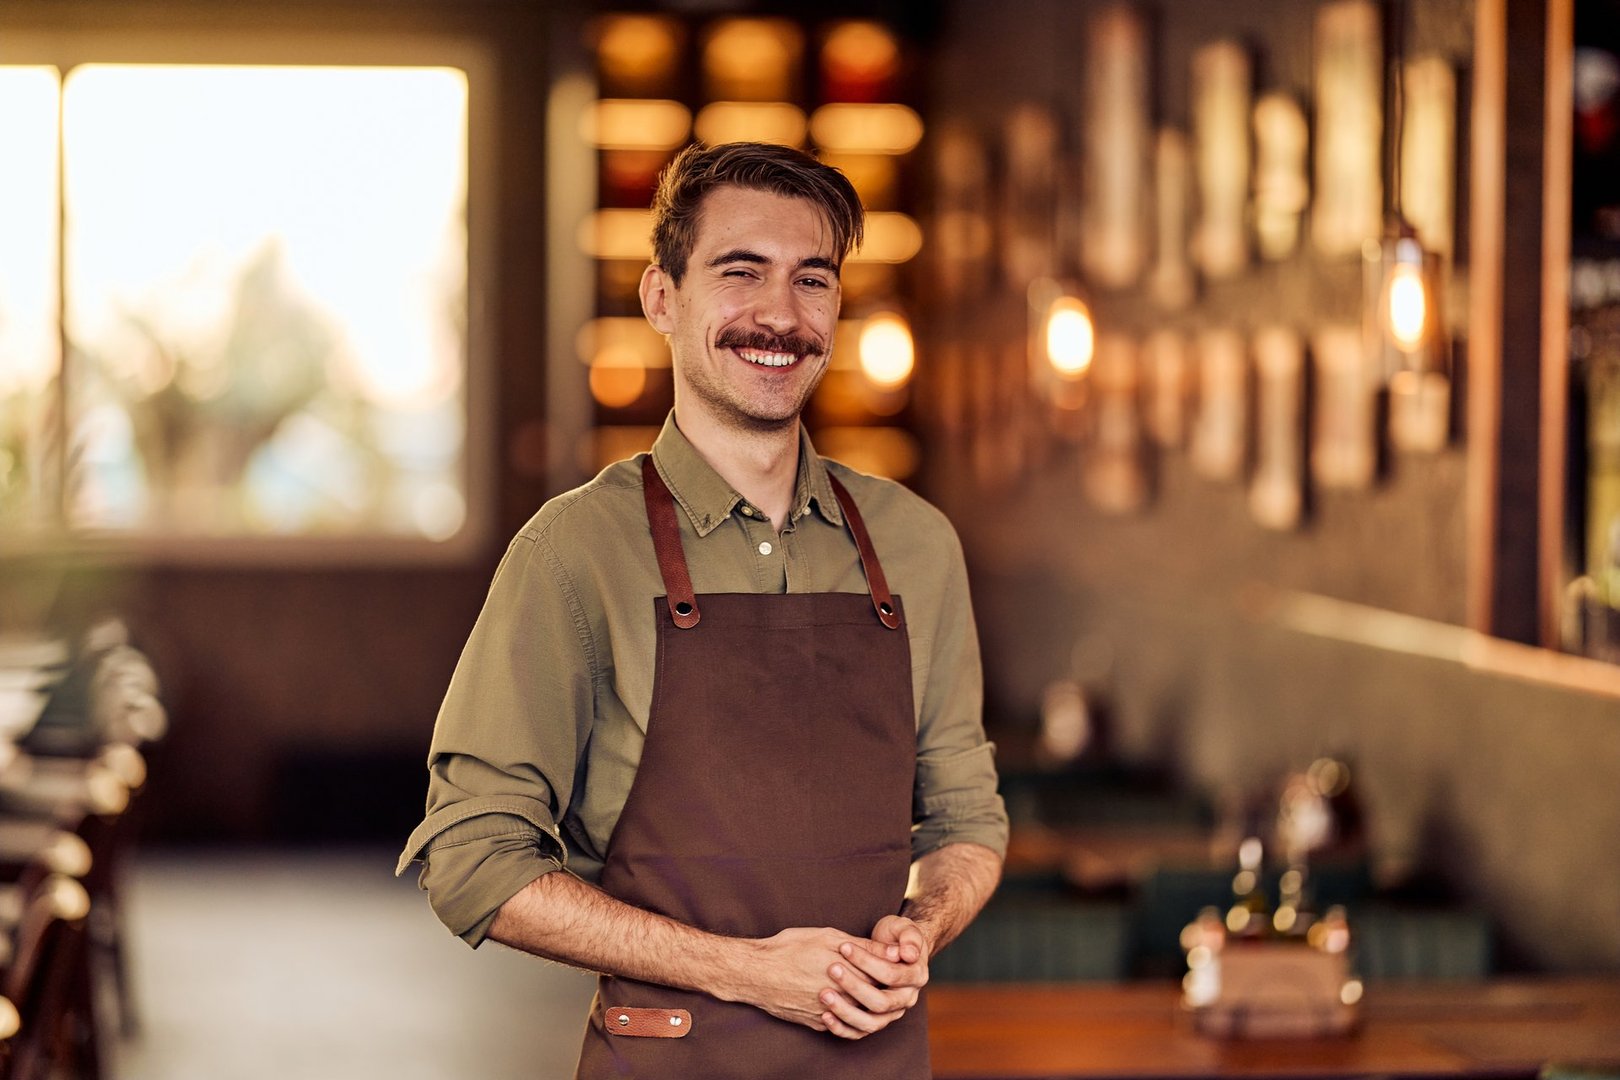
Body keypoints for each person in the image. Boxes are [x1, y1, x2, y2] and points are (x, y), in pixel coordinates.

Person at [398, 141, 1007, 1079]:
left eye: (813, 280)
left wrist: (917, 930)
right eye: (740, 273)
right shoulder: (572, 554)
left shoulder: (917, 544)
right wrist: (746, 971)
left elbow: (966, 819)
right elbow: (474, 858)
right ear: (660, 300)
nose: (781, 315)